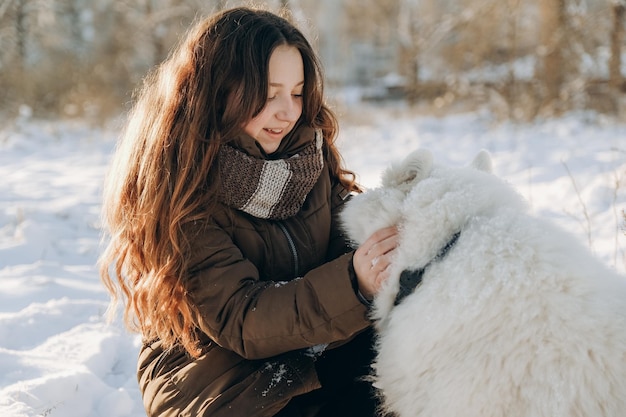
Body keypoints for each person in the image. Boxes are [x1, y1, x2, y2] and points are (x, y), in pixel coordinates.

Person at [99, 6, 398, 417]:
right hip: (217, 374)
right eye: (268, 92)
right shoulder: (180, 188)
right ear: (217, 90)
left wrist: (398, 231)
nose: (288, 111)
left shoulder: (304, 157)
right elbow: (241, 319)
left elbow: (345, 232)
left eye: (296, 93)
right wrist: (354, 284)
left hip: (315, 343)